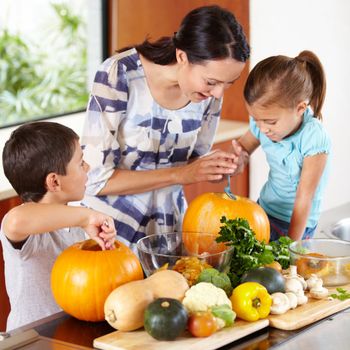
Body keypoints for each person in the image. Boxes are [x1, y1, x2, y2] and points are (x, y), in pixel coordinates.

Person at [81, 5, 250, 250]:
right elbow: (95, 180)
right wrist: (180, 175)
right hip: (107, 234)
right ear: (182, 57)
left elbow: (193, 163)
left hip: (166, 235)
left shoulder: (209, 94)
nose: (218, 92)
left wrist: (218, 167)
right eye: (212, 82)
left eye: (228, 84)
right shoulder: (119, 74)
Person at [0, 121, 116, 331]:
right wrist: (86, 217)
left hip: (70, 334)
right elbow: (15, 220)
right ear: (54, 182)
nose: (87, 167)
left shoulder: (79, 217)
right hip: (31, 342)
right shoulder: (29, 232)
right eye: (81, 163)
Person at [231, 50, 331, 241]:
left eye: (270, 122)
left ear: (300, 109)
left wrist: (290, 245)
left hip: (297, 224)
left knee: (286, 270)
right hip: (264, 211)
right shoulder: (263, 124)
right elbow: (244, 146)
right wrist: (239, 157)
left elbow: (304, 198)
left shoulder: (314, 138)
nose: (262, 128)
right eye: (255, 119)